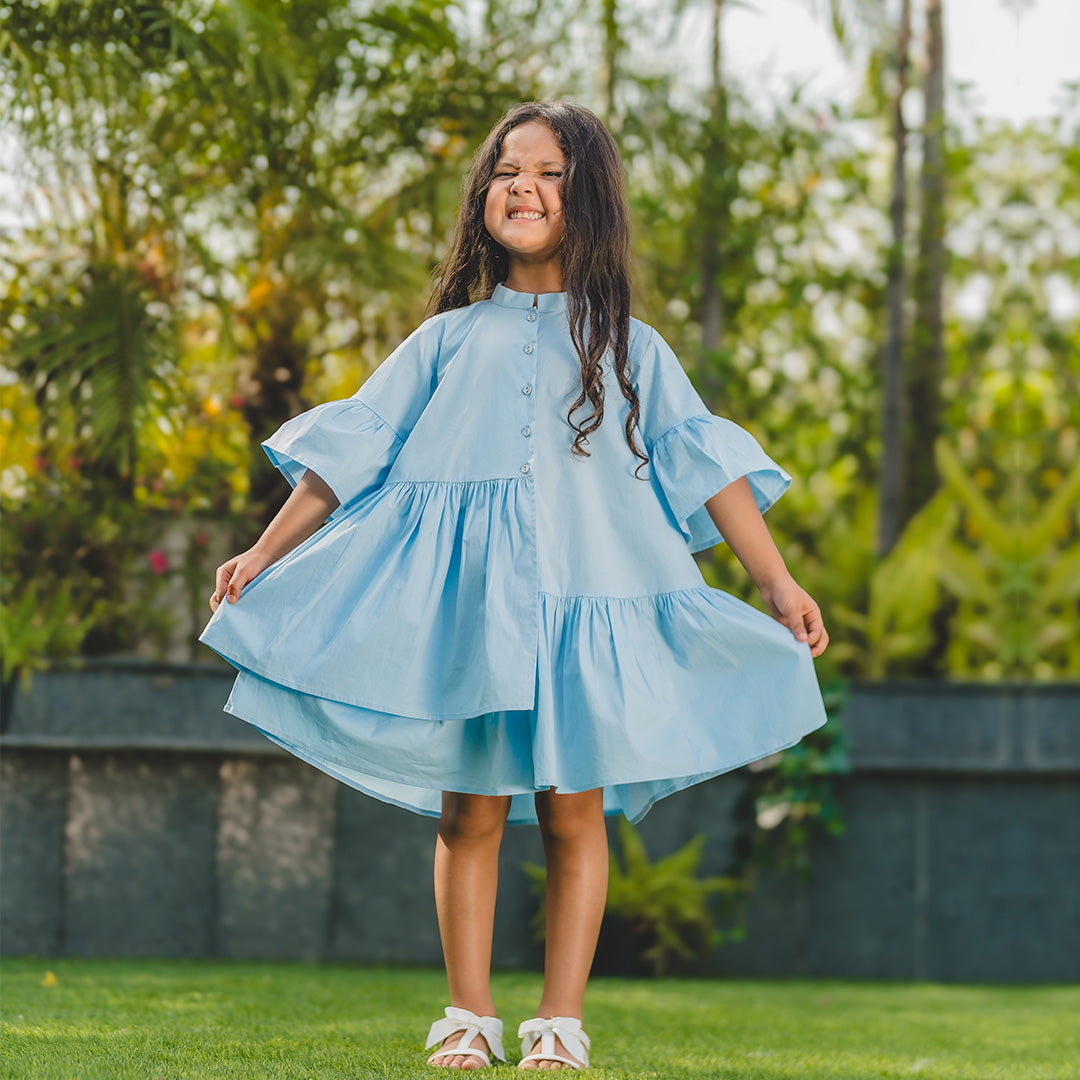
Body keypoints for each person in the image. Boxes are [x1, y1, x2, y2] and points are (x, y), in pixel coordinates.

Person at [200, 100, 829, 1071]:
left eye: (548, 172)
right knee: (470, 810)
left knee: (577, 811)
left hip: (591, 608)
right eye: (506, 170)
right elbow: (349, 454)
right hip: (476, 619)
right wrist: (264, 552)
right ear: (483, 198)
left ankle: (561, 1023)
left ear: (590, 200)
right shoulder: (448, 339)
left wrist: (777, 583)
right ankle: (466, 1016)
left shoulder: (631, 347)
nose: (522, 187)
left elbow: (708, 468)